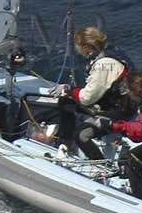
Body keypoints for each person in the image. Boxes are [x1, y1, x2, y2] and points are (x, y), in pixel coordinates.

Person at [56, 25, 135, 158]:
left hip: (120, 110)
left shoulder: (104, 64)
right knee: (65, 103)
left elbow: (87, 98)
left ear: (86, 47)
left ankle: (100, 163)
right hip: (113, 101)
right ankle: (65, 143)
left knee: (81, 135)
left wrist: (69, 89)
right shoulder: (111, 50)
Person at [88, 71, 142, 198]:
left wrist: (114, 125)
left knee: (133, 158)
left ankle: (140, 199)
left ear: (134, 91)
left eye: (128, 89)